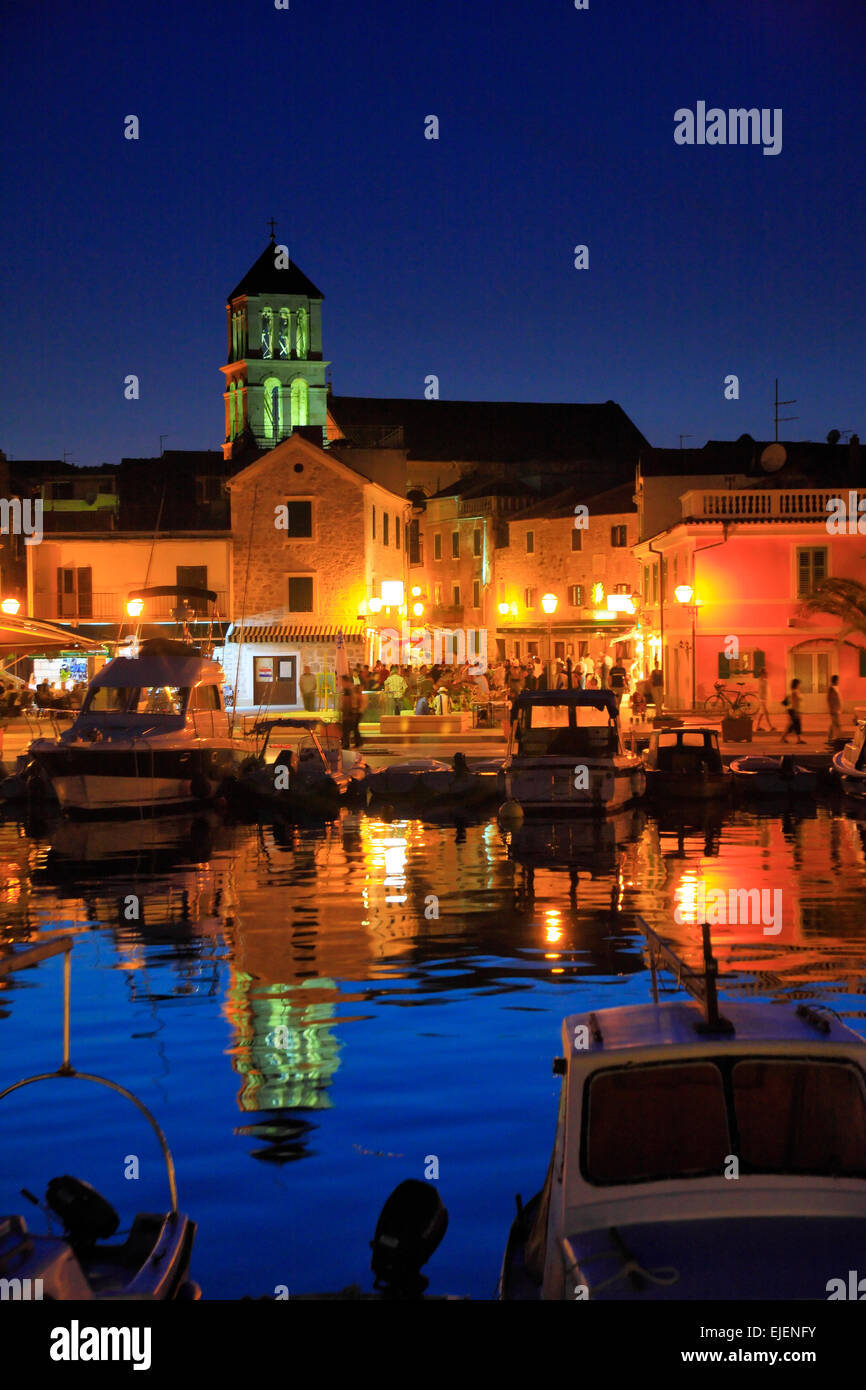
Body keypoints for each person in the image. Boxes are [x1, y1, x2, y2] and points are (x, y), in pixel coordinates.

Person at [340, 675, 363, 748]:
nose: (341, 683)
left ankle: (347, 744)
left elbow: (349, 701)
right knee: (352, 729)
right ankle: (357, 742)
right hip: (350, 712)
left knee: (347, 729)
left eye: (342, 681)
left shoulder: (348, 690)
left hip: (350, 712)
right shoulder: (348, 689)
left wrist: (349, 711)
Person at [781, 678, 805, 744]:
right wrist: (796, 712)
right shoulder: (794, 692)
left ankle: (784, 738)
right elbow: (794, 703)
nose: (800, 685)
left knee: (794, 725)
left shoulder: (795, 691)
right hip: (794, 710)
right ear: (796, 684)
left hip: (794, 710)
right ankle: (798, 739)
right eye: (799, 684)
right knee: (795, 725)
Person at [754, 666, 776, 733]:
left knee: (762, 713)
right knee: (766, 713)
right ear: (762, 674)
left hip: (764, 699)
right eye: (766, 673)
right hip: (762, 700)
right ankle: (770, 726)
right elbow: (760, 691)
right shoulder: (761, 681)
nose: (767, 674)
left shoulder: (763, 681)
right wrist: (762, 699)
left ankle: (757, 726)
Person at [827, 674, 842, 746]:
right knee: (837, 725)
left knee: (833, 724)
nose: (838, 681)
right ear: (835, 680)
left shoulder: (835, 688)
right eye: (837, 680)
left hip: (836, 709)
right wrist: (833, 709)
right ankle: (840, 738)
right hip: (834, 710)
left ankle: (830, 738)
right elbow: (830, 700)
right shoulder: (832, 689)